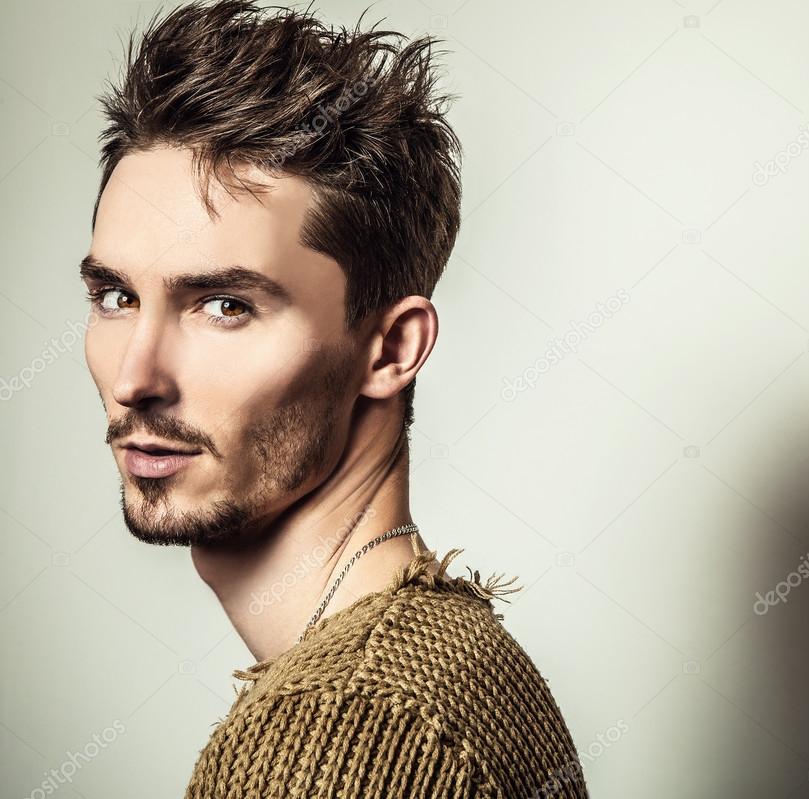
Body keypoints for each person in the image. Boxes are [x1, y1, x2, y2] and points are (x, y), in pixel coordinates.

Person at [80, 1, 589, 796]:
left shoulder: (342, 731)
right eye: (115, 296)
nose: (134, 377)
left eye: (225, 305)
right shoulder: (446, 657)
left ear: (389, 349)